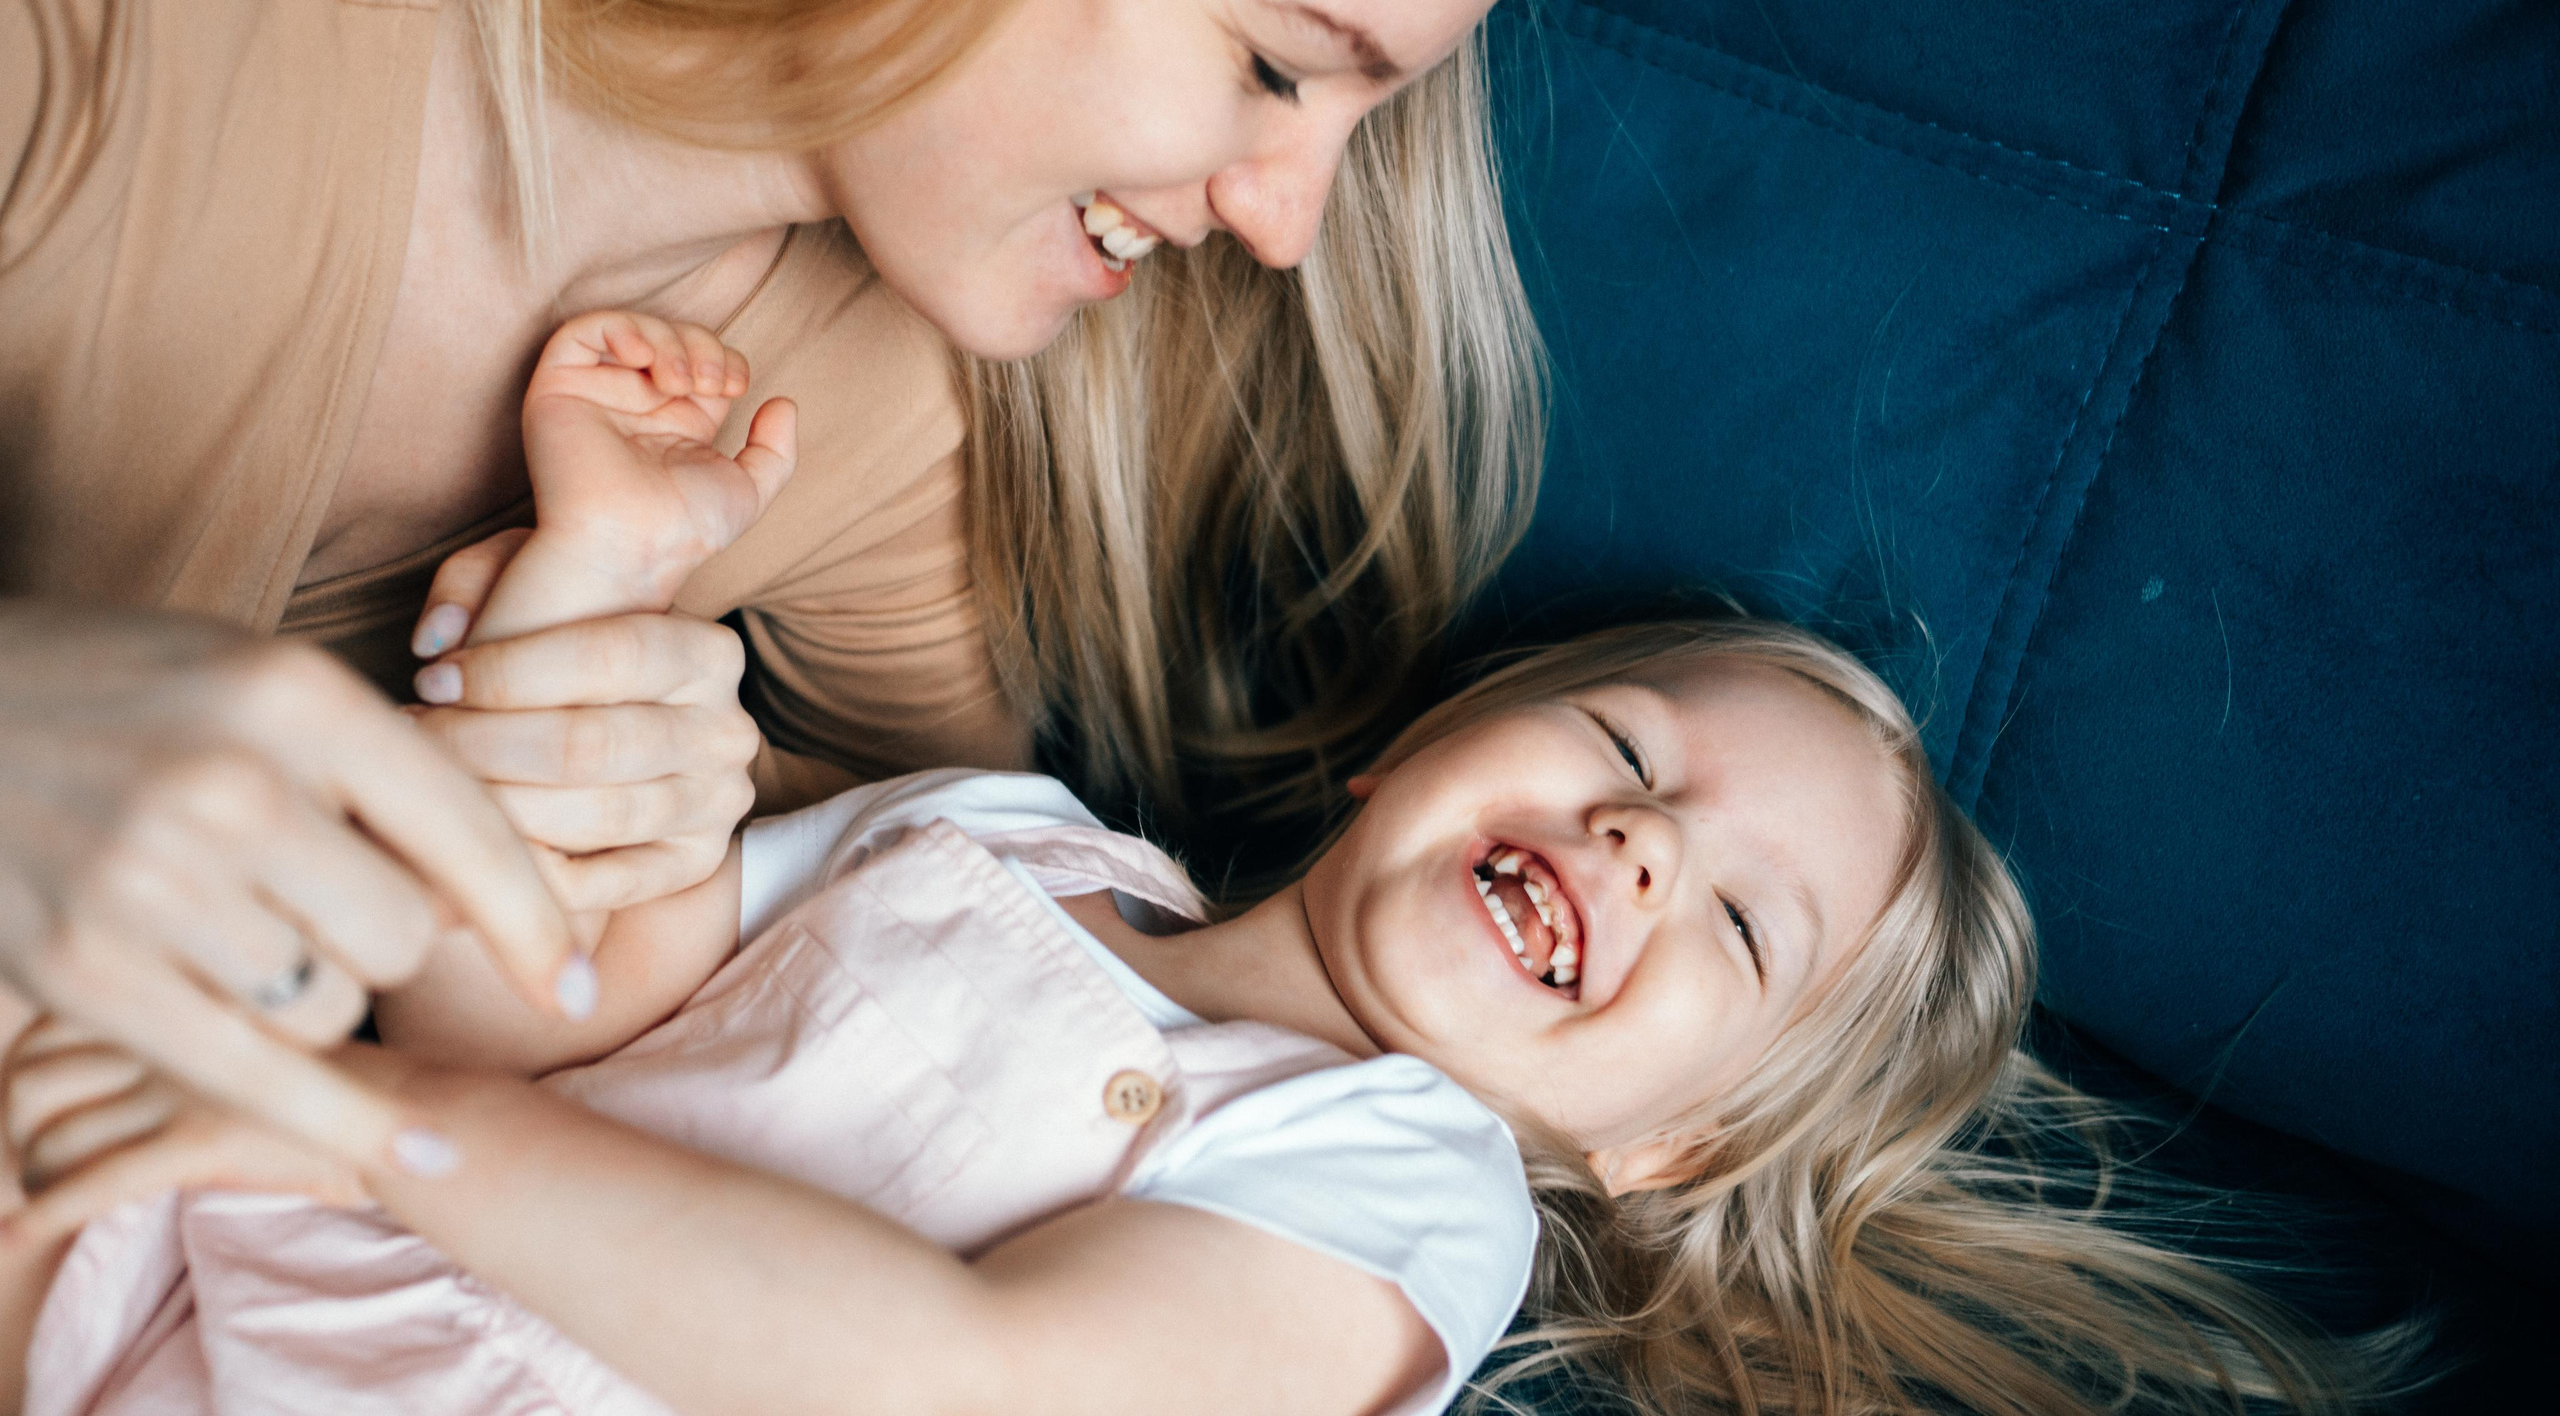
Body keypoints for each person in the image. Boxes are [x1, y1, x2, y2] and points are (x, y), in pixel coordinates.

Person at [0, 316, 2408, 1416]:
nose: (1637, 843)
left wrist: (374, 1133)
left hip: (378, 1215)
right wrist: (601, 593)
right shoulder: (997, 836)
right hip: (279, 1292)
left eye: (1738, 917)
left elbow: (955, 1373)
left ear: (1664, 1145)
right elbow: (532, 995)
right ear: (1406, 744)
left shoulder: (1407, 1192)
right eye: (1619, 747)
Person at [0, 0, 1633, 1172]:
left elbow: (907, 1013)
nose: (1288, 226)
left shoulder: (876, 435)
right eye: (1274, 62)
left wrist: (651, 835)